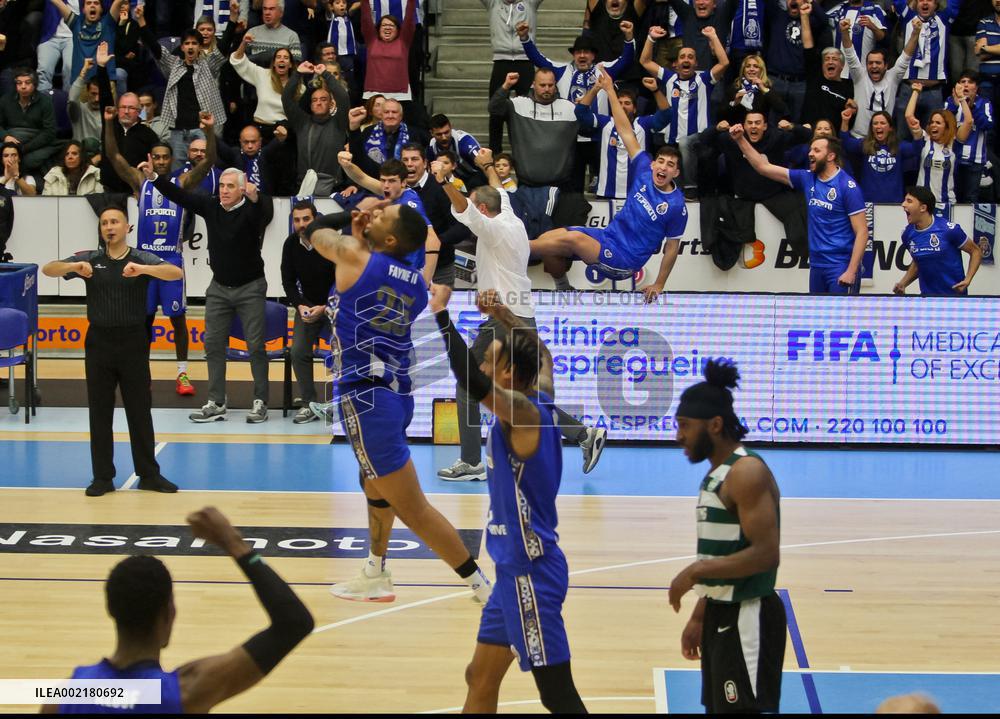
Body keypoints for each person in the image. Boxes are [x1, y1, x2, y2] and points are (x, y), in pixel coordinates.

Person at [306, 207, 493, 604]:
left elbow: (315, 233)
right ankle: (375, 570)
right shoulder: (413, 282)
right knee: (372, 484)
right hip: (395, 395)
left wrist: (350, 231)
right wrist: (361, 234)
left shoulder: (355, 257)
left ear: (390, 240)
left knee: (415, 510)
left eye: (380, 216)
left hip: (365, 398)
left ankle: (481, 588)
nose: (371, 214)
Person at [431, 288, 587, 714]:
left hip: (530, 574)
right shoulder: (542, 397)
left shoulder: (522, 413)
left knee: (557, 694)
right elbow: (544, 354)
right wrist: (502, 314)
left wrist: (442, 316)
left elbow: (471, 380)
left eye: (491, 361)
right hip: (510, 574)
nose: (484, 364)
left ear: (509, 377)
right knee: (479, 676)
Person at [432, 149, 607, 481]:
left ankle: (470, 462)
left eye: (476, 206)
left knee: (468, 386)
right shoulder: (509, 213)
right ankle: (584, 434)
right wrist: (486, 166)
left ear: (484, 210)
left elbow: (464, 208)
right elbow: (498, 189)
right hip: (522, 317)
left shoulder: (494, 228)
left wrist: (444, 181)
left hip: (503, 316)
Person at [43, 506, 313, 713]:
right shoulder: (184, 692)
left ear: (111, 610)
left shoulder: (67, 694)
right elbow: (294, 623)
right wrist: (235, 544)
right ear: (168, 614)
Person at [669, 358, 786, 714]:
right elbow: (727, 554)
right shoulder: (717, 475)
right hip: (722, 614)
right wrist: (701, 614)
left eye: (685, 426)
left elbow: (766, 554)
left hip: (747, 618)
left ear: (715, 425)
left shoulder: (746, 472)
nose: (679, 437)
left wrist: (694, 573)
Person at [41, 206, 181, 497]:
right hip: (99, 343)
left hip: (133, 342)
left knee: (139, 411)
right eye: (104, 223)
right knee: (100, 412)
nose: (109, 227)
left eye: (115, 221)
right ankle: (102, 477)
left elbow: (174, 272)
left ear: (127, 227)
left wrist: (143, 270)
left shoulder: (140, 258)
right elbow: (48, 268)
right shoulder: (90, 259)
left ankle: (149, 474)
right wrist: (72, 267)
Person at [530, 69, 688, 294]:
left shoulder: (676, 205)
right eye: (660, 161)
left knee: (573, 239)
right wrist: (609, 90)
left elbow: (672, 248)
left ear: (676, 173)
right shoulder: (644, 168)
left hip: (625, 261)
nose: (663, 167)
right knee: (549, 240)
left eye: (670, 165)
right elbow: (625, 129)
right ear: (653, 164)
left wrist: (659, 284)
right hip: (607, 237)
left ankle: (512, 250)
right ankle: (563, 288)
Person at [145, 164, 274, 424]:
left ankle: (260, 401)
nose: (224, 191)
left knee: (255, 346)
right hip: (218, 288)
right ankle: (216, 402)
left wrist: (256, 197)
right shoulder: (211, 207)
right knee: (213, 344)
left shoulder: (251, 210)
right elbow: (180, 196)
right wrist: (155, 178)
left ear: (241, 189)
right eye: (222, 186)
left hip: (251, 287)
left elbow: (264, 213)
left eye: (230, 187)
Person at [105, 110, 219, 398]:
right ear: (150, 158)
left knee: (178, 320)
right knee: (143, 322)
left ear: (172, 160)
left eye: (166, 157)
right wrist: (108, 124)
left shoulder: (182, 183)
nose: (161, 161)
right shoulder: (138, 182)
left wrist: (209, 132)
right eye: (156, 157)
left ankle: (182, 373)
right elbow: (114, 156)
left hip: (170, 261)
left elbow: (208, 162)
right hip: (143, 262)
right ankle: (142, 374)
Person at [731, 124, 869, 293]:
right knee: (816, 318)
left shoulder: (847, 187)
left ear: (830, 156)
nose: (810, 153)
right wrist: (740, 139)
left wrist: (851, 270)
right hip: (817, 264)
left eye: (817, 151)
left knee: (839, 319)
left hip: (840, 265)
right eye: (811, 150)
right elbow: (763, 167)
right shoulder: (807, 178)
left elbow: (862, 232)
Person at [517, 20, 636, 192]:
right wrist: (524, 38)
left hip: (600, 137)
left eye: (586, 52)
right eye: (578, 52)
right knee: (573, 186)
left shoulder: (604, 70)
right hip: (571, 137)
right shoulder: (561, 70)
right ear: (573, 55)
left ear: (593, 55)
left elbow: (627, 59)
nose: (582, 56)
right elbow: (537, 57)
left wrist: (629, 37)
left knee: (601, 184)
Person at [640, 26, 729, 192]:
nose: (686, 60)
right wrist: (651, 38)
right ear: (676, 64)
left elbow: (724, 63)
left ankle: (691, 187)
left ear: (696, 63)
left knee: (685, 143)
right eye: (682, 57)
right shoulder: (669, 78)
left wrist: (713, 36)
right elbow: (645, 61)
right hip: (673, 140)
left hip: (700, 137)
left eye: (690, 57)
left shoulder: (704, 79)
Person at [135, 8, 227, 169]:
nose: (190, 46)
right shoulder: (173, 65)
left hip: (201, 129)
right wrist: (142, 21)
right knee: (178, 174)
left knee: (204, 170)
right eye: (187, 43)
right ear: (182, 47)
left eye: (194, 43)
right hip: (177, 130)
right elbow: (155, 48)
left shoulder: (208, 66)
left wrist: (232, 19)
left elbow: (223, 49)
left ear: (199, 47)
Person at [337, 150, 443, 284]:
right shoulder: (391, 191)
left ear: (403, 183)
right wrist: (346, 165)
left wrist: (425, 281)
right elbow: (362, 178)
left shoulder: (409, 205)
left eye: (392, 181)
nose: (386, 186)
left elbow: (433, 240)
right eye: (383, 180)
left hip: (410, 274)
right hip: (392, 270)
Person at [281, 200, 337, 423]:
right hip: (307, 306)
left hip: (335, 306)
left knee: (344, 353)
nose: (301, 224)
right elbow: (288, 282)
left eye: (306, 219)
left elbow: (342, 279)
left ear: (316, 219)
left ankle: (341, 402)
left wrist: (325, 307)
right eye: (297, 220)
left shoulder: (331, 242)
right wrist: (301, 305)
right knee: (298, 352)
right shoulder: (290, 244)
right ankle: (308, 404)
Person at [575, 77, 671, 199]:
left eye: (627, 103)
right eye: (619, 103)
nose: (622, 106)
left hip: (637, 194)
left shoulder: (644, 124)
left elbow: (666, 114)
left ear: (635, 109)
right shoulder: (605, 123)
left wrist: (656, 90)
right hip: (606, 192)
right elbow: (580, 112)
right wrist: (596, 88)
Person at [894, 185, 982, 296]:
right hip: (928, 299)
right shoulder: (907, 234)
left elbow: (975, 251)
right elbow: (918, 262)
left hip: (955, 298)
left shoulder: (949, 230)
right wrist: (903, 283)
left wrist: (968, 280)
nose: (903, 204)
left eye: (909, 201)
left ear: (923, 208)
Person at [841, 16, 920, 138]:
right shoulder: (859, 76)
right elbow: (850, 54)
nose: (873, 66)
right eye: (870, 63)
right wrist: (845, 32)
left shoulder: (893, 77)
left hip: (885, 140)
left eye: (878, 63)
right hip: (859, 137)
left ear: (886, 66)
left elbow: (906, 56)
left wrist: (915, 33)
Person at [482, 0, 543, 153]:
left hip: (525, 60)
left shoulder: (530, 3)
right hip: (501, 62)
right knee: (496, 110)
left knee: (529, 110)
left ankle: (529, 151)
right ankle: (495, 153)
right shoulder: (493, 3)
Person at [904, 82, 973, 215]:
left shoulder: (955, 144)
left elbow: (969, 122)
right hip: (921, 205)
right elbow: (908, 116)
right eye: (932, 122)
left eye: (938, 123)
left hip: (947, 203)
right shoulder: (924, 140)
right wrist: (916, 92)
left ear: (947, 126)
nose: (933, 125)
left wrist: (962, 98)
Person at [283, 61, 350, 195]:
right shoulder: (301, 122)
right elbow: (286, 99)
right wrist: (298, 74)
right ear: (310, 104)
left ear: (331, 103)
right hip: (304, 185)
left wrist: (326, 74)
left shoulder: (339, 122)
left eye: (323, 99)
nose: (318, 103)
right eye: (314, 100)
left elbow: (343, 98)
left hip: (333, 185)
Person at [840, 108, 920, 203]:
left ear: (890, 128)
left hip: (894, 202)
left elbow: (916, 149)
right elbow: (846, 142)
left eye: (882, 123)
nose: (878, 126)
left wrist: (916, 131)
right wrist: (845, 121)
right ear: (872, 128)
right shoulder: (865, 145)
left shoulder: (899, 146)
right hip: (868, 201)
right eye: (875, 123)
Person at [359, 0, 418, 115]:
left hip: (400, 95)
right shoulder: (372, 40)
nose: (387, 27)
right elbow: (366, 18)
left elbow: (410, 19)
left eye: (391, 25)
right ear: (378, 29)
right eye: (384, 25)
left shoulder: (403, 42)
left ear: (398, 30)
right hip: (373, 94)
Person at [799, 1, 853, 129]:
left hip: (834, 138)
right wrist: (804, 16)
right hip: (810, 134)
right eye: (827, 59)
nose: (830, 61)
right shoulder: (815, 76)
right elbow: (808, 46)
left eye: (834, 59)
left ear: (841, 66)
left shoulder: (849, 88)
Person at [944, 70, 995, 203]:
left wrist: (972, 107)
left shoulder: (984, 103)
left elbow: (988, 124)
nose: (966, 85)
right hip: (953, 158)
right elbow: (943, 124)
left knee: (970, 199)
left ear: (976, 87)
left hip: (975, 161)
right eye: (963, 82)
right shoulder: (951, 102)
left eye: (970, 82)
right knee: (953, 197)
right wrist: (954, 107)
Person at [230, 40, 297, 135]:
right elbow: (237, 61)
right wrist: (244, 43)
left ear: (290, 64)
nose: (282, 60)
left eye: (286, 58)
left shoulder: (298, 86)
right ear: (274, 63)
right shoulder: (263, 75)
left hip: (284, 131)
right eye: (278, 57)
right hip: (260, 128)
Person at [0, 68, 57, 174]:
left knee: (30, 161)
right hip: (10, 140)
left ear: (34, 84)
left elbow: (49, 132)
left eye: (27, 82)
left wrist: (24, 148)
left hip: (34, 142)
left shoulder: (45, 102)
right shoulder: (5, 100)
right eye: (19, 83)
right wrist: (5, 137)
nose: (23, 86)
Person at [244, 0, 304, 65]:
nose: (267, 13)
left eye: (271, 9)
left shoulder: (291, 36)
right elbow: (242, 62)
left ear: (281, 13)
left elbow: (295, 66)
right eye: (265, 9)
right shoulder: (252, 33)